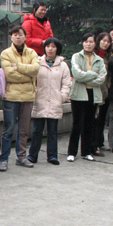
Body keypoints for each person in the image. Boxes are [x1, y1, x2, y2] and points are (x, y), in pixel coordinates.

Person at [0, 25, 40, 171]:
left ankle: (21, 156)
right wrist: (27, 75)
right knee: (8, 129)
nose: (17, 37)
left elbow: (36, 69)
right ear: (11, 37)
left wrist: (18, 67)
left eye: (20, 34)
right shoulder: (6, 53)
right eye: (14, 34)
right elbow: (9, 74)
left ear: (25, 36)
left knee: (24, 129)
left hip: (28, 96)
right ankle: (4, 159)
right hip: (11, 96)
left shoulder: (32, 52)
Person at [27, 37, 71, 165]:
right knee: (36, 131)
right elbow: (31, 79)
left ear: (58, 49)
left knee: (52, 131)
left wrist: (62, 97)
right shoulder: (37, 62)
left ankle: (52, 156)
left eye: (53, 46)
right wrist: (34, 93)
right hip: (39, 100)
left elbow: (67, 84)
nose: (50, 49)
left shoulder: (63, 65)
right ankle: (32, 156)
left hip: (55, 102)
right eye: (48, 46)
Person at [67, 33, 106, 162]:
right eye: (86, 41)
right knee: (77, 124)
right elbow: (77, 74)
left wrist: (87, 79)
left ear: (95, 43)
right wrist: (92, 75)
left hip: (92, 94)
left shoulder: (99, 60)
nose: (88, 44)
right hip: (79, 94)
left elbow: (102, 78)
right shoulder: (76, 56)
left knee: (89, 124)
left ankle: (87, 151)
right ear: (83, 43)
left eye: (91, 41)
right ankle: (72, 152)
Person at [93, 32, 113, 156]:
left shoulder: (109, 57)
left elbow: (110, 75)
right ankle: (93, 144)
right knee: (95, 119)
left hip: (105, 91)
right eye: (103, 40)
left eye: (108, 41)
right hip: (95, 90)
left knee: (102, 119)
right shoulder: (94, 55)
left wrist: (108, 86)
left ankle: (100, 142)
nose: (105, 43)